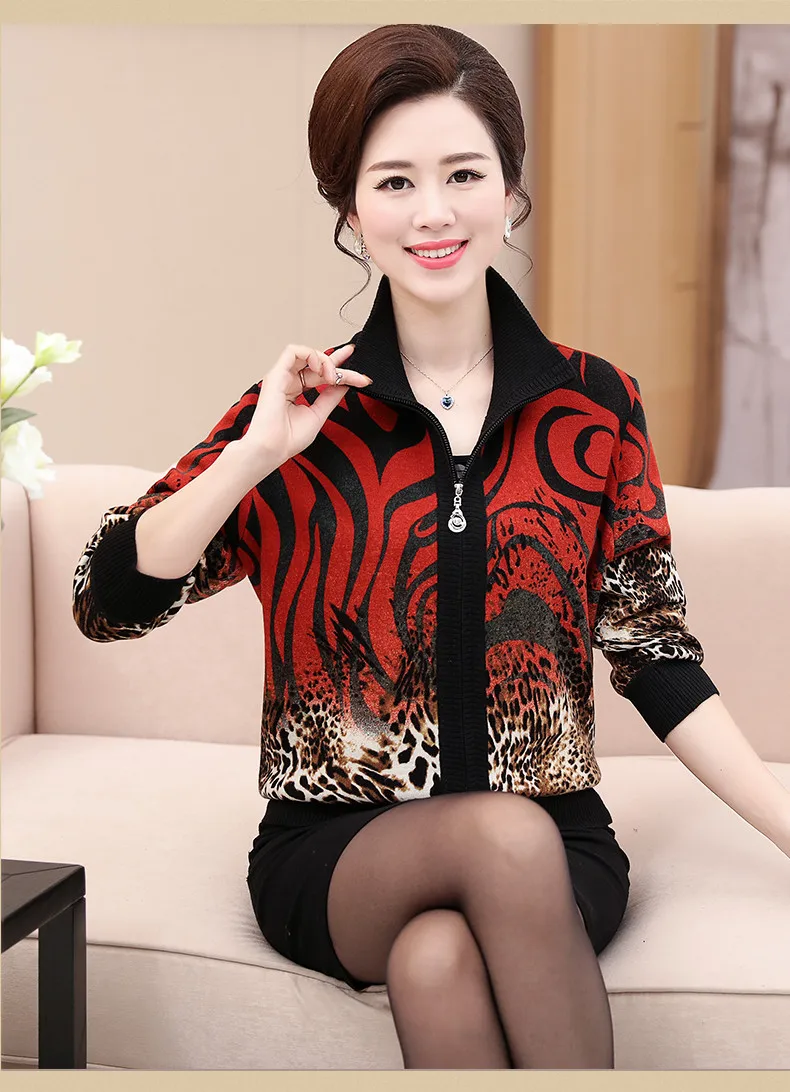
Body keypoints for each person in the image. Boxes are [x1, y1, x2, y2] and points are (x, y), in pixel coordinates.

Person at [72, 24, 722, 1069]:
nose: (433, 212)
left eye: (463, 173)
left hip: (558, 836)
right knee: (498, 838)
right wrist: (255, 455)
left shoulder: (595, 405)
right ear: (350, 210)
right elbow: (107, 600)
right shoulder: (301, 412)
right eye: (394, 182)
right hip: (336, 849)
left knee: (437, 956)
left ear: (509, 189)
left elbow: (655, 653)